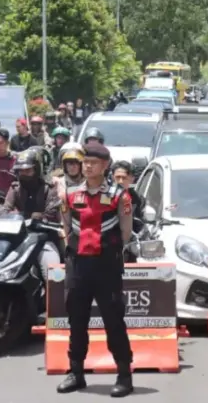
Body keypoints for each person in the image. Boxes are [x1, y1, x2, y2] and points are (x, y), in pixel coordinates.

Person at [57, 144, 134, 397]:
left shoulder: (118, 195)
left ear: (105, 165)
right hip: (78, 265)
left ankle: (124, 375)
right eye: (85, 161)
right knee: (76, 320)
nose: (87, 166)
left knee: (113, 321)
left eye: (93, 162)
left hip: (106, 266)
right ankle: (76, 373)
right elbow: (66, 226)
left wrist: (109, 252)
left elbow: (125, 231)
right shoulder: (70, 193)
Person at [1, 149, 63, 278]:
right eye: (21, 171)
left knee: (56, 273)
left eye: (28, 171)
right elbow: (4, 211)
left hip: (44, 240)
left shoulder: (49, 188)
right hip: (18, 239)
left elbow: (50, 214)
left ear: (37, 169)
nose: (24, 174)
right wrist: (22, 216)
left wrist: (35, 216)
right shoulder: (15, 188)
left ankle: (58, 298)